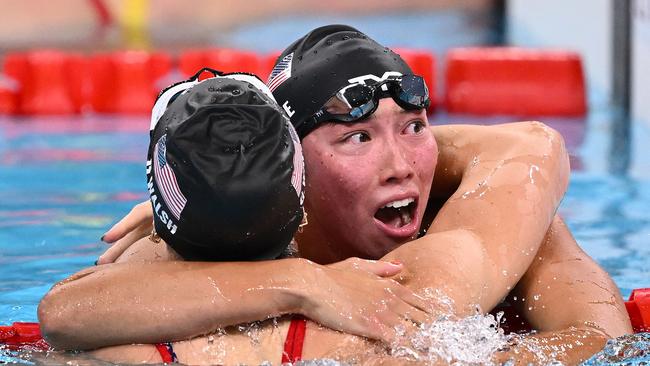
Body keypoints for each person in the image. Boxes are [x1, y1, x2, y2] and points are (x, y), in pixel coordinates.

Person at [38, 25, 632, 364]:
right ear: (294, 168)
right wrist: (306, 281)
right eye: (357, 138)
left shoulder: (498, 225)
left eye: (415, 127)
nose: (401, 168)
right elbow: (64, 315)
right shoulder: (214, 245)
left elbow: (604, 343)